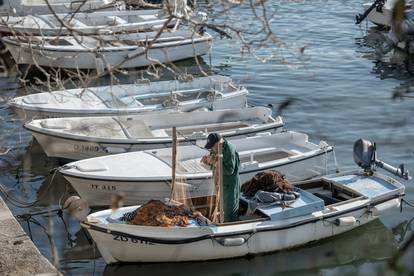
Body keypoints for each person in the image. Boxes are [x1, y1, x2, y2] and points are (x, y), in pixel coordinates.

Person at [201, 133, 240, 222]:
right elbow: (214, 162)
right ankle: (223, 223)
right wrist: (206, 161)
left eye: (212, 146)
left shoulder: (229, 149)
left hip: (229, 185)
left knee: (229, 210)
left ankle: (231, 229)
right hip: (220, 183)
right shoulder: (216, 148)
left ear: (219, 142)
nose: (212, 149)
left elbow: (230, 170)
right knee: (221, 207)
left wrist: (213, 163)